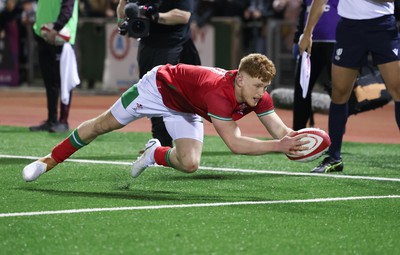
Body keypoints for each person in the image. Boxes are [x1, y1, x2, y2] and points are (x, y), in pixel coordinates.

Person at [22, 53, 310, 182]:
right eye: (258, 86)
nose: (262, 93)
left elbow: (279, 130)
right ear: (240, 79)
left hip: (185, 106)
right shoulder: (217, 94)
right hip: (157, 88)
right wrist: (278, 147)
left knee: (190, 163)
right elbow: (234, 143)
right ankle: (49, 160)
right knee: (101, 125)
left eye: (265, 87)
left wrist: (299, 141)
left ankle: (154, 154)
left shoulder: (256, 94)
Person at [299, 0, 400, 173]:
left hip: (382, 26)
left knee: (397, 90)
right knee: (339, 92)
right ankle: (334, 157)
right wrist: (308, 33)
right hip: (349, 28)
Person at [117, 0, 201, 148]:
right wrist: (123, 19)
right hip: (148, 43)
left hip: (174, 43)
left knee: (177, 97)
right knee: (150, 93)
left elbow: (183, 16)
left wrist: (154, 17)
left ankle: (183, 141)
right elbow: (122, 13)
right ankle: (161, 143)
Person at [29, 0, 80, 133]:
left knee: (64, 82)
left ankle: (63, 121)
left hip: (62, 38)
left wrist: (56, 28)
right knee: (49, 81)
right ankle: (51, 120)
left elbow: (67, 10)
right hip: (44, 37)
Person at [292, 0, 339, 130]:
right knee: (301, 89)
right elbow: (304, 12)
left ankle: (335, 140)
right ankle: (297, 132)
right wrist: (298, 39)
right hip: (310, 42)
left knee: (338, 92)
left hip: (335, 41)